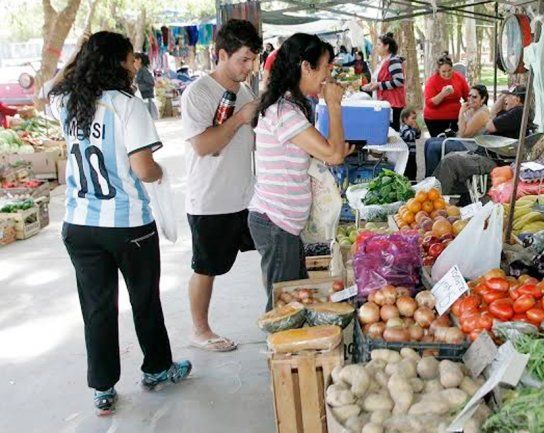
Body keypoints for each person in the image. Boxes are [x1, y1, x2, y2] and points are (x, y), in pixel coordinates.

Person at [49, 31, 191, 416]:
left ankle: (103, 387)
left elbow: (52, 85)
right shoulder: (127, 106)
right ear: (117, 63)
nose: (136, 64)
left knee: (96, 307)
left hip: (78, 225)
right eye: (130, 58)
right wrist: (161, 172)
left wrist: (79, 54)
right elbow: (144, 169)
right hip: (128, 225)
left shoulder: (66, 101)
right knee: (144, 300)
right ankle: (158, 368)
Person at [248, 33, 352, 311]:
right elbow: (333, 155)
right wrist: (334, 104)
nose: (329, 75)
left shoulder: (290, 104)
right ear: (306, 66)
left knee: (293, 302)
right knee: (283, 309)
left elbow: (326, 152)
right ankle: (281, 352)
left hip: (284, 224)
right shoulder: (284, 111)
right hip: (276, 223)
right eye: (326, 66)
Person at [180, 19, 262, 352]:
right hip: (211, 199)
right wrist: (241, 118)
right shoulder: (198, 93)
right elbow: (204, 146)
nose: (249, 66)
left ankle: (279, 313)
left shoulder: (244, 91)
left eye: (253, 59)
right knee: (206, 267)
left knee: (272, 251)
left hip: (247, 196)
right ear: (222, 54)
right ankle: (199, 330)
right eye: (243, 59)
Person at [432, 85, 535, 204]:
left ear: (517, 100)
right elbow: (492, 118)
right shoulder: (514, 112)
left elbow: (490, 126)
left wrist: (499, 102)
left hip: (494, 160)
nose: (505, 99)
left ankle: (435, 201)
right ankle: (461, 200)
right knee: (452, 156)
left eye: (508, 97)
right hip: (491, 154)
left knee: (450, 161)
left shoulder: (517, 112)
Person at [423, 84, 490, 177]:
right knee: (429, 141)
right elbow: (460, 128)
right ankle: (429, 177)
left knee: (434, 147)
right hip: (462, 141)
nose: (470, 99)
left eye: (474, 97)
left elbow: (464, 134)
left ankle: (432, 181)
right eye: (469, 95)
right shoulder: (472, 110)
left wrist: (461, 112)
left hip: (471, 146)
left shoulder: (482, 113)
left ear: (483, 99)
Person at [362, 32, 406, 130]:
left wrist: (378, 85)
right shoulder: (383, 61)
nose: (376, 47)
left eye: (378, 44)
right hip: (384, 102)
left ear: (386, 46)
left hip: (393, 104)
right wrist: (370, 85)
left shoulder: (393, 61)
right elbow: (382, 80)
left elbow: (399, 81)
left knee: (393, 132)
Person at [423, 55, 470, 137]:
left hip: (455, 118)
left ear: (452, 68)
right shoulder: (432, 81)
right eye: (443, 71)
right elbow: (429, 104)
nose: (447, 74)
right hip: (435, 119)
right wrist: (442, 94)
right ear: (438, 70)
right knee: (439, 144)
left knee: (453, 142)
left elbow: (467, 96)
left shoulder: (459, 77)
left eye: (449, 70)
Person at [133, 52, 158, 120]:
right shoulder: (140, 71)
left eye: (134, 61)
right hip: (144, 98)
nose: (133, 63)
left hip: (146, 98)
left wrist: (138, 86)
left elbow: (151, 83)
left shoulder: (143, 70)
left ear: (139, 60)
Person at [399, 108, 422, 180]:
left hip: (412, 154)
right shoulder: (404, 128)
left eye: (415, 118)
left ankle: (413, 180)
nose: (415, 120)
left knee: (413, 169)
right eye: (413, 118)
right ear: (405, 119)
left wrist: (417, 130)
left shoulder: (410, 127)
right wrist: (414, 129)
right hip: (407, 155)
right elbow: (410, 136)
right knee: (408, 170)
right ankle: (410, 181)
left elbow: (417, 137)